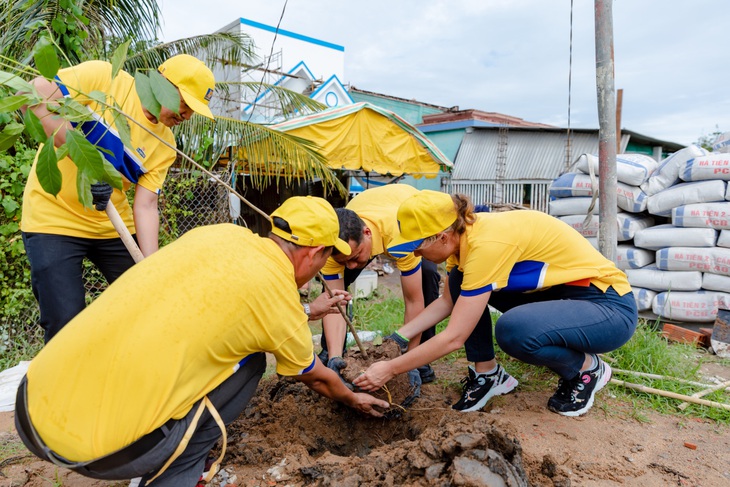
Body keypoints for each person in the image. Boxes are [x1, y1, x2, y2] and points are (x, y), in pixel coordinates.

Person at [14, 196, 390, 487]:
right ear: (312, 253)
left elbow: (224, 309)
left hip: (32, 402)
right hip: (89, 451)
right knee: (253, 362)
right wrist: (352, 396)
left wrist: (305, 312)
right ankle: (171, 474)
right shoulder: (276, 297)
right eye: (326, 259)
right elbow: (316, 375)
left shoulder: (220, 234)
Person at [354, 190, 637, 417]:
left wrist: (391, 369)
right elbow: (447, 303)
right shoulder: (463, 239)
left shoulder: (487, 245)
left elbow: (454, 337)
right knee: (458, 280)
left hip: (607, 307)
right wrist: (397, 339)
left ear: (441, 236)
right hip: (561, 296)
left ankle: (586, 368)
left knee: (514, 331)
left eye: (417, 245)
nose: (415, 252)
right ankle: (488, 374)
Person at [20, 54, 216, 343]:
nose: (186, 116)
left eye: (193, 111)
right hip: (53, 218)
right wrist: (86, 158)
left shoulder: (165, 147)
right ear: (163, 85)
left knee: (144, 304)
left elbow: (146, 205)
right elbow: (35, 92)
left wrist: (151, 266)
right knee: (65, 321)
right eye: (185, 104)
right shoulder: (105, 79)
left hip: (112, 225)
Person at [318, 184, 441, 383]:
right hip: (370, 210)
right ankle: (333, 353)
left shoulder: (399, 235)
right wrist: (334, 356)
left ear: (367, 234)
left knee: (427, 275)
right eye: (343, 260)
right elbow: (335, 302)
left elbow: (413, 300)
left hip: (411, 215)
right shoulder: (334, 246)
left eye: (356, 257)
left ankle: (419, 356)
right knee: (332, 296)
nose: (351, 265)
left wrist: (408, 361)